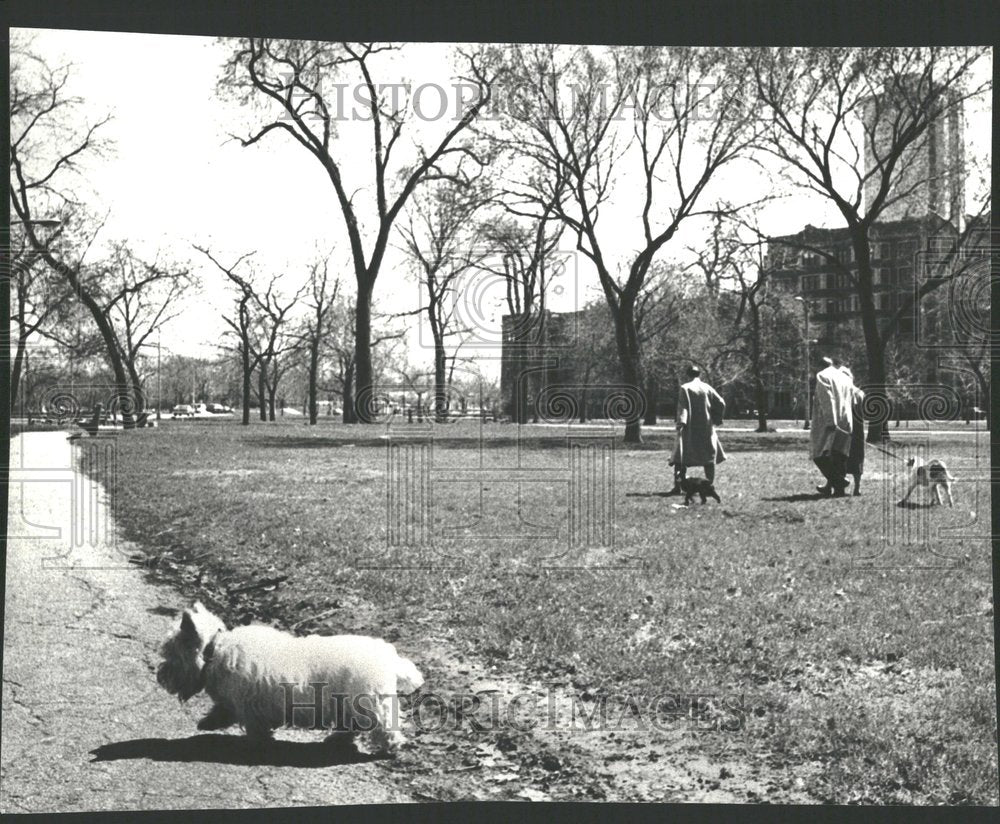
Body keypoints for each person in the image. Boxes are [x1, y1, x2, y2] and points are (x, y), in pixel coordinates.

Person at [669, 366, 726, 493]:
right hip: (706, 428)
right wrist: (717, 418)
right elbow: (721, 402)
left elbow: (683, 407)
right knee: (709, 458)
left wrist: (681, 422)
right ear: (699, 374)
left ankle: (677, 487)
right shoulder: (707, 387)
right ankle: (708, 486)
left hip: (689, 428)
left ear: (687, 374)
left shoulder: (685, 388)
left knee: (680, 458)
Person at [810, 356, 854, 497]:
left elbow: (827, 399)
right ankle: (838, 490)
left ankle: (838, 481)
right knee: (839, 454)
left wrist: (831, 421)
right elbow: (850, 399)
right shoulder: (844, 377)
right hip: (846, 419)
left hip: (830, 421)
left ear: (819, 366)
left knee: (819, 454)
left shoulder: (823, 376)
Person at [840, 366, 866, 496]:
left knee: (842, 457)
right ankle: (856, 488)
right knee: (856, 458)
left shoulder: (843, 393)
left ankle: (843, 487)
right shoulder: (860, 393)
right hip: (857, 430)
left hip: (846, 429)